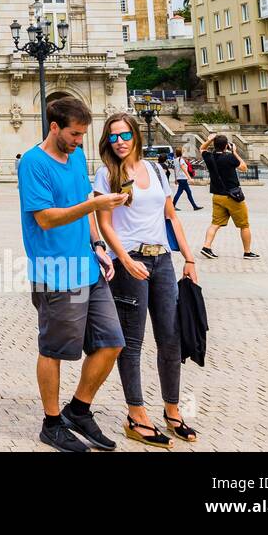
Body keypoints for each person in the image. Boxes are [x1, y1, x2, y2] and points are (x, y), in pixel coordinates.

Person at [17, 96, 128, 453]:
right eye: (75, 134)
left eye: (82, 135)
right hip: (56, 272)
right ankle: (51, 424)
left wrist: (97, 245)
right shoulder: (33, 163)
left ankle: (78, 410)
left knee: (112, 342)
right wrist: (95, 204)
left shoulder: (76, 156)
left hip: (87, 266)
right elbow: (46, 218)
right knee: (54, 349)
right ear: (54, 127)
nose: (80, 141)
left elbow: (82, 204)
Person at [94, 114, 200, 448]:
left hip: (163, 261)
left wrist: (190, 258)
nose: (120, 142)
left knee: (170, 337)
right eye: (113, 138)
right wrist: (124, 260)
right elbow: (104, 223)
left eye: (124, 135)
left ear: (136, 135)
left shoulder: (155, 171)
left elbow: (171, 216)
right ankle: (136, 414)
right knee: (133, 341)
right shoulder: (107, 174)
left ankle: (172, 410)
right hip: (130, 262)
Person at [200, 135, 257, 259]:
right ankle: (247, 252)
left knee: (215, 223)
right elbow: (243, 167)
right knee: (244, 225)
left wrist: (210, 139)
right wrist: (235, 152)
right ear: (226, 145)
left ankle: (206, 246)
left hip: (217, 196)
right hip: (232, 196)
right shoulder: (229, 158)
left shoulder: (209, 157)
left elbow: (202, 148)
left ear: (214, 145)